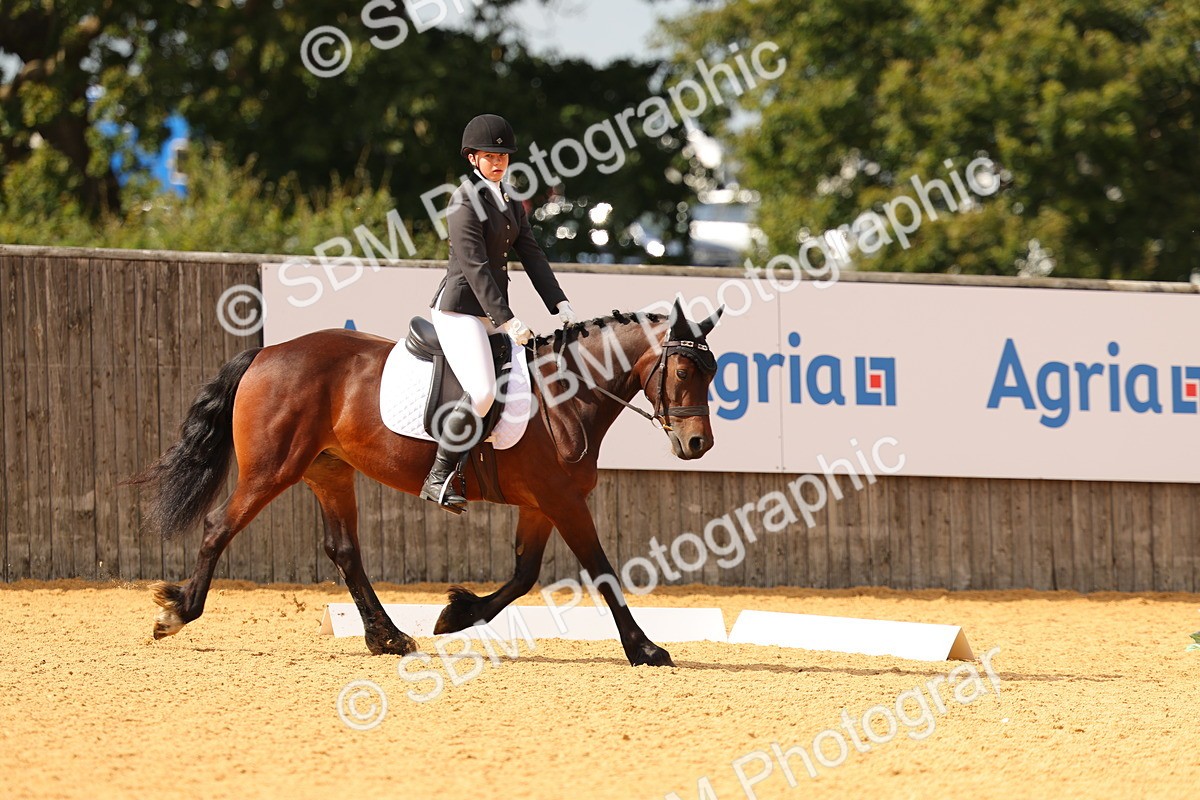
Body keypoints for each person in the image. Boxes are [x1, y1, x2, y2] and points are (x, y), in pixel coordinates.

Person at [421, 113, 577, 513]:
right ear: (472, 158)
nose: (498, 162)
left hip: (491, 311)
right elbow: (474, 268)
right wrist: (505, 318)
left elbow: (531, 252)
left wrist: (558, 301)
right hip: (460, 311)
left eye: (503, 156)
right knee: (485, 391)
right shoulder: (462, 202)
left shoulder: (507, 199)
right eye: (490, 156)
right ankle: (437, 477)